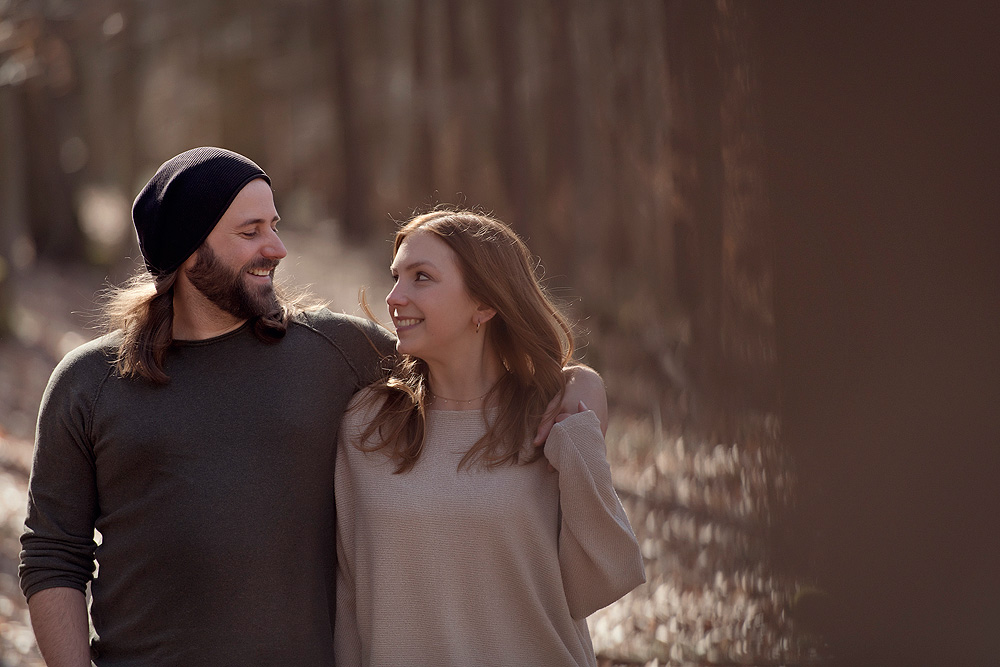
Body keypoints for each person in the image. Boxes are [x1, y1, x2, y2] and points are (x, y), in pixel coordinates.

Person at [18, 148, 607, 666]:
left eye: (274, 226)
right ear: (190, 251)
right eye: (250, 232)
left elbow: (471, 364)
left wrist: (582, 383)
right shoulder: (89, 383)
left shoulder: (336, 351)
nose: (276, 248)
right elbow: (52, 556)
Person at [334, 210, 645, 666]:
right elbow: (348, 595)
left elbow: (605, 577)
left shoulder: (549, 418)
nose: (394, 297)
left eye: (421, 278)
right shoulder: (366, 426)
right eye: (396, 276)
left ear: (484, 304)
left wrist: (579, 426)